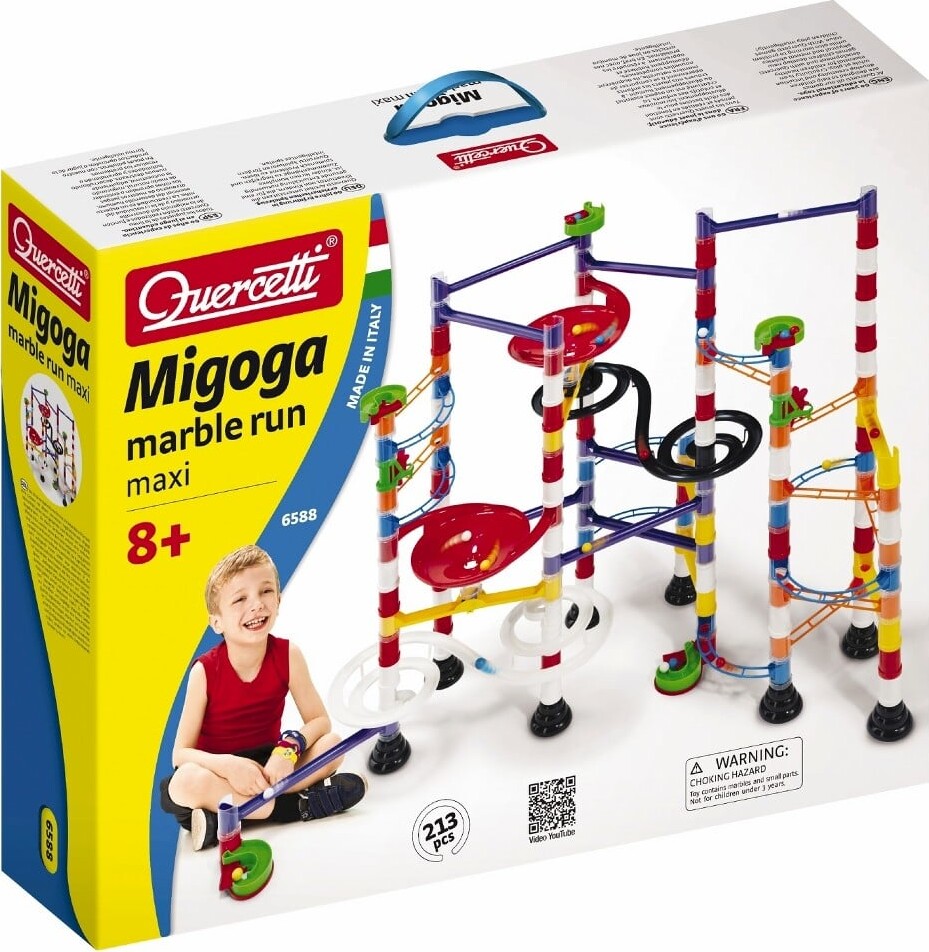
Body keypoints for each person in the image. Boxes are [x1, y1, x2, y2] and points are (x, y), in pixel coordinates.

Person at [159, 544, 366, 850]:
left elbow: (320, 721)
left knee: (332, 745)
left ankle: (226, 818)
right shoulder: (204, 671)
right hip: (219, 772)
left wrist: (288, 750)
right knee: (184, 782)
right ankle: (294, 806)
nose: (256, 605)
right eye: (240, 599)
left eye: (266, 592)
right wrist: (230, 767)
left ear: (278, 601)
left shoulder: (288, 655)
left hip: (269, 765)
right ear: (217, 622)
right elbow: (181, 755)